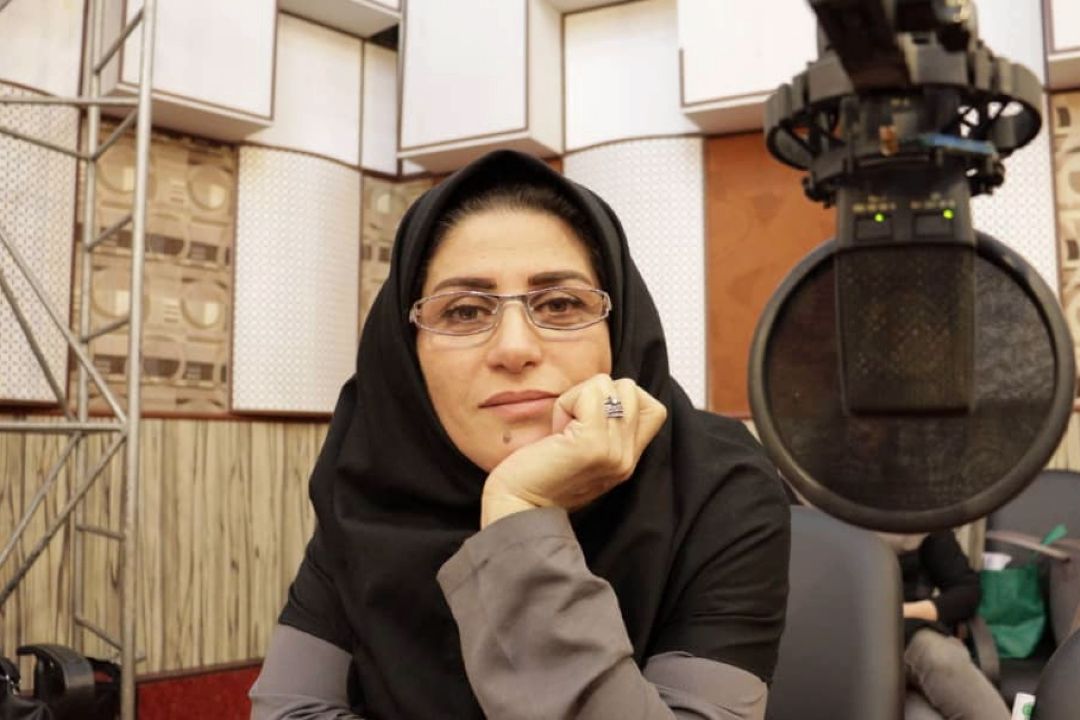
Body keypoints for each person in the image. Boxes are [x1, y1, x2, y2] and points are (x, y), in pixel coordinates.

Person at [249, 150, 791, 719]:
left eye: (559, 304)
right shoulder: (371, 484)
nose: (514, 348)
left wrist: (519, 514)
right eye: (464, 312)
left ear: (619, 330)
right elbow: (290, 711)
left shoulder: (717, 485)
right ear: (407, 351)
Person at [880, 531, 1010, 720]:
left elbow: (966, 592)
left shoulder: (920, 522)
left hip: (909, 630)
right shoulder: (835, 525)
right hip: (847, 639)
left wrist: (901, 611)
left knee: (940, 656)